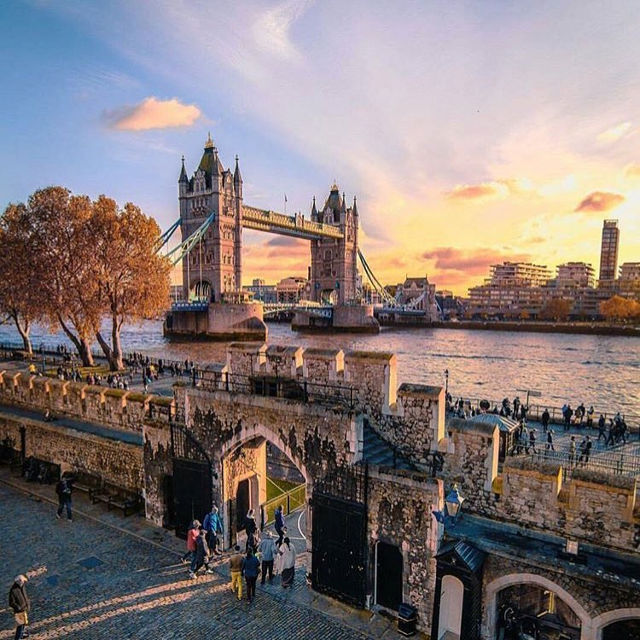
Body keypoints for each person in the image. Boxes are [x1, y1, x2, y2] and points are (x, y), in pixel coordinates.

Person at [9, 574, 30, 640]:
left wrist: (27, 604)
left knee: (24, 623)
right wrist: (18, 607)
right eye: (22, 581)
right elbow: (11, 602)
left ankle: (23, 634)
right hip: (18, 611)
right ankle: (18, 638)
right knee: (20, 625)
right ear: (18, 581)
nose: (23, 582)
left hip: (24, 609)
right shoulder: (13, 590)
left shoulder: (22, 587)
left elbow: (25, 596)